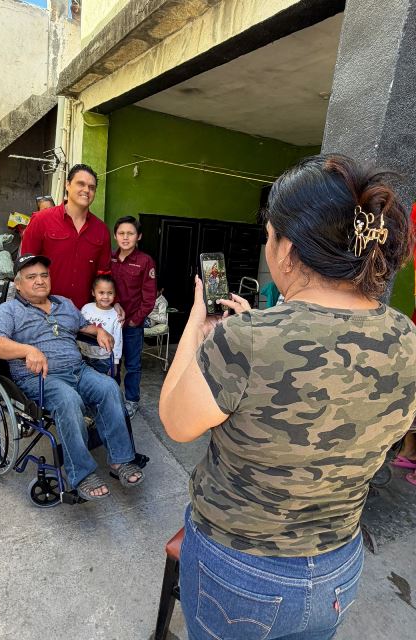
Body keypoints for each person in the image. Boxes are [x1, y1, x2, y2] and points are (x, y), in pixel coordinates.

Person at [159, 154, 416, 640]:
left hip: (242, 569)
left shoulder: (246, 340)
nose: (267, 245)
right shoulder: (407, 337)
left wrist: (197, 328)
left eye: (269, 235)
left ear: (289, 248)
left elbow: (175, 420)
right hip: (338, 566)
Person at [0, 253, 144, 501]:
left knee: (109, 388)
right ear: (18, 284)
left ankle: (121, 460)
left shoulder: (64, 304)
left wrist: (98, 331)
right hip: (40, 378)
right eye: (31, 277)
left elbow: (82, 326)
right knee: (68, 400)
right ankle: (82, 474)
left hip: (78, 370)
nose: (40, 281)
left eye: (44, 275)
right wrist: (28, 350)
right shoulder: (9, 310)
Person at [21, 164, 122, 313]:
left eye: (92, 187)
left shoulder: (101, 230)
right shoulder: (41, 220)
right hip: (43, 311)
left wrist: (115, 303)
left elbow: (104, 274)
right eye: (81, 184)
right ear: (67, 185)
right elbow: (25, 265)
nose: (86, 190)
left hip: (82, 314)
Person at [111, 216, 157, 417]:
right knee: (112, 363)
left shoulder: (145, 261)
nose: (125, 237)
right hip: (111, 324)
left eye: (130, 233)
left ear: (139, 236)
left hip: (132, 324)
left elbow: (149, 298)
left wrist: (134, 321)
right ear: (115, 236)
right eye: (121, 233)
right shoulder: (109, 259)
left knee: (132, 365)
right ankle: (112, 398)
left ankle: (131, 400)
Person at [79, 274, 122, 375]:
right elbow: (78, 328)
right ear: (93, 293)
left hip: (104, 359)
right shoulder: (86, 308)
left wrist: (115, 362)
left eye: (110, 293)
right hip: (83, 355)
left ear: (115, 294)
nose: (105, 297)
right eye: (101, 292)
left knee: (103, 383)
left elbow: (118, 340)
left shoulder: (116, 315)